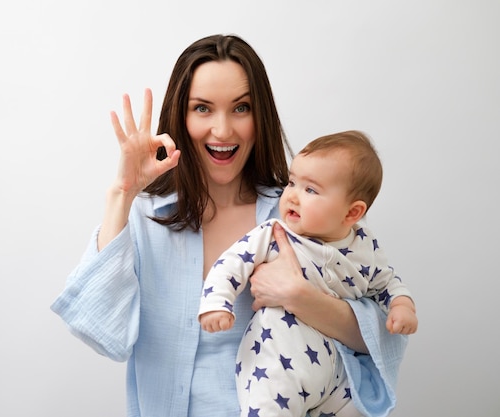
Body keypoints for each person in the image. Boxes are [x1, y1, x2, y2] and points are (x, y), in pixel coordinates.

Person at [50, 34, 408, 417]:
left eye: (241, 108)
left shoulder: (298, 217)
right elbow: (103, 333)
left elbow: (382, 337)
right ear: (181, 117)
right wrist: (122, 194)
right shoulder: (145, 218)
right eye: (202, 108)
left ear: (261, 116)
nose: (222, 131)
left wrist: (300, 297)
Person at [198, 130, 418, 416]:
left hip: (338, 369)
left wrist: (402, 307)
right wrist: (217, 303)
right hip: (278, 362)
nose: (292, 196)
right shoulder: (275, 234)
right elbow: (230, 264)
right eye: (292, 182)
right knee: (267, 407)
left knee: (363, 406)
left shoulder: (365, 247)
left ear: (351, 213)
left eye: (310, 190)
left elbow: (388, 283)